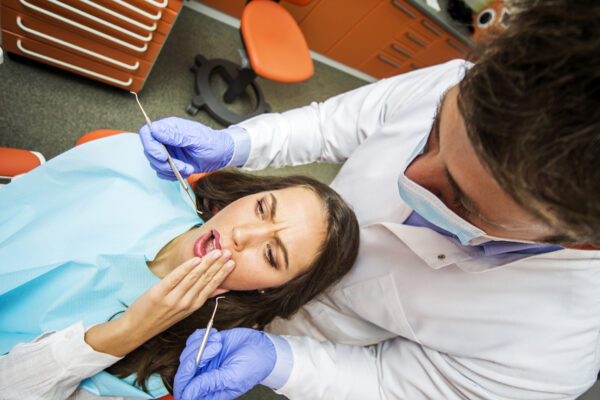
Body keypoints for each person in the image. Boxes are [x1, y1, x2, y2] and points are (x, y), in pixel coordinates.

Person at [138, 1, 600, 399]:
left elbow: (386, 384)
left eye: (458, 199)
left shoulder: (555, 347)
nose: (410, 173)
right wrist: (238, 145)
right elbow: (330, 125)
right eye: (433, 134)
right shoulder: (469, 81)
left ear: (580, 240)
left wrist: (281, 362)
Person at [0, 133, 360, 399]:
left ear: (271, 289)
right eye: (261, 208)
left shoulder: (163, 366)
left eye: (270, 254)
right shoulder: (137, 170)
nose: (242, 234)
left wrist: (129, 331)